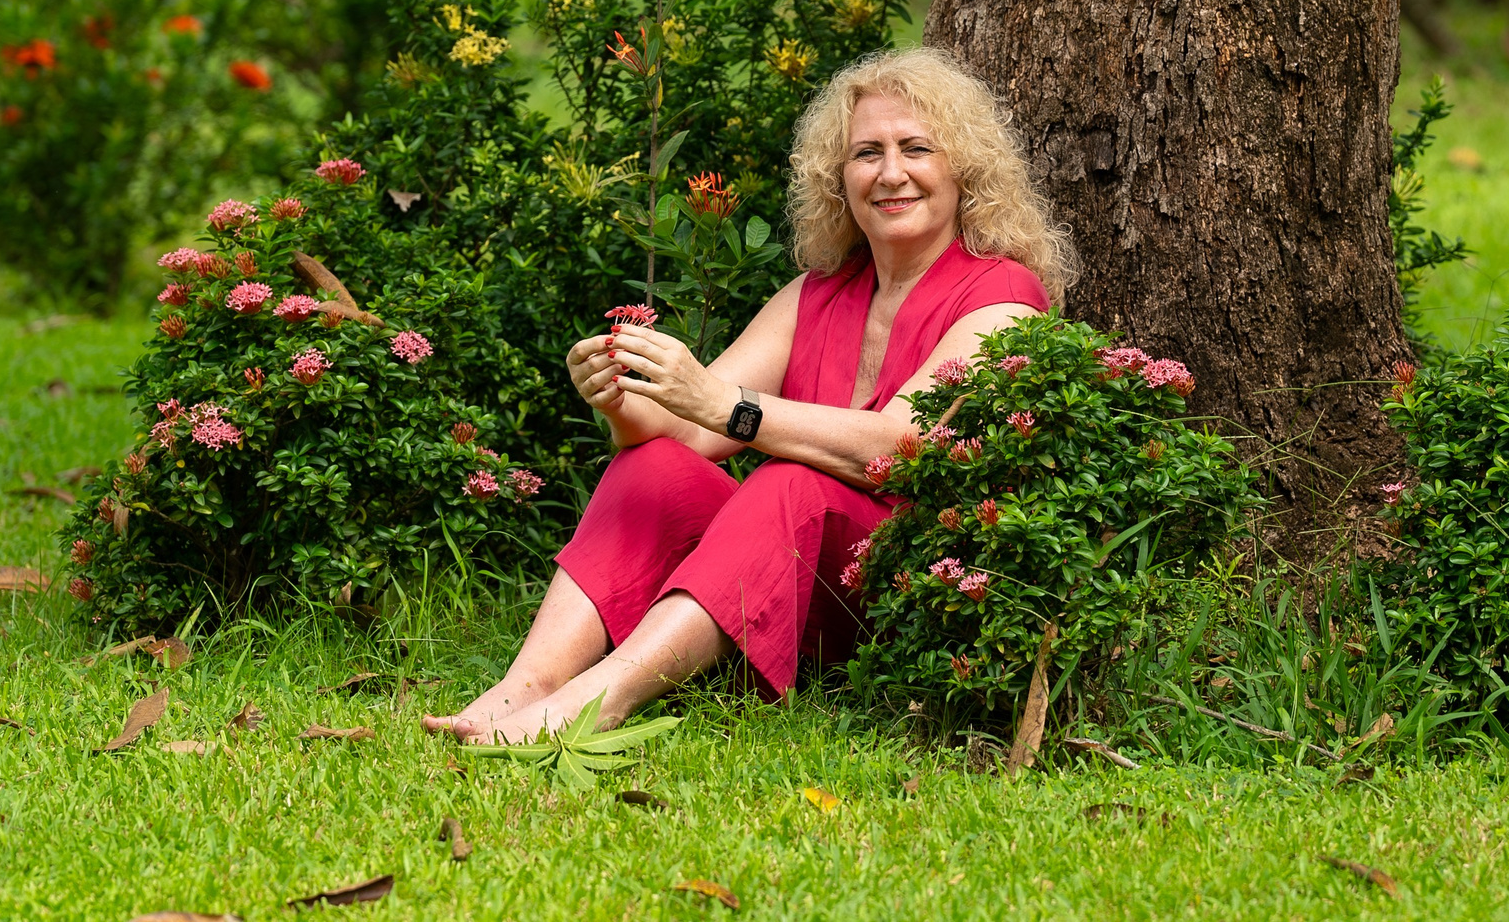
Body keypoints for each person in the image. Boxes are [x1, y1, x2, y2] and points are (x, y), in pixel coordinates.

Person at [422, 46, 1076, 743]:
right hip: (791, 573)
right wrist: (618, 397)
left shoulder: (1003, 297)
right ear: (838, 178)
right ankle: (528, 685)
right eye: (866, 154)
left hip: (907, 592)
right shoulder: (814, 296)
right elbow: (689, 433)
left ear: (962, 169)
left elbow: (899, 449)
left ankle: (596, 702)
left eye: (916, 148)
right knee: (651, 468)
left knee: (787, 483)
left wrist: (723, 402)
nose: (890, 174)